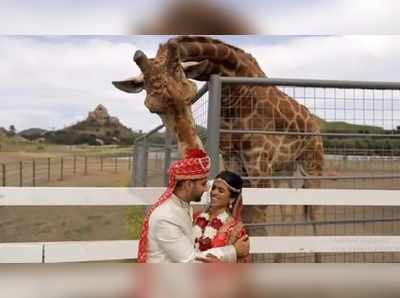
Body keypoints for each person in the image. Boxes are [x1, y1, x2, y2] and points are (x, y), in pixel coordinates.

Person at [137, 148, 249, 263]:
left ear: (232, 198)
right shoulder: (167, 217)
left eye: (220, 190)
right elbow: (190, 260)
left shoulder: (185, 208)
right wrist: (233, 251)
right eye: (203, 184)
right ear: (189, 184)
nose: (208, 190)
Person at [193, 170, 251, 262]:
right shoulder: (196, 217)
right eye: (214, 188)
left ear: (231, 199)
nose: (214, 192)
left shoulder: (236, 229)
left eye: (221, 190)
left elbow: (242, 264)